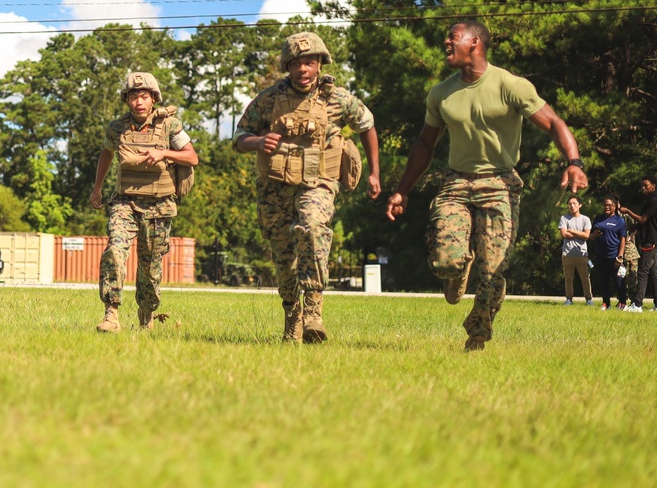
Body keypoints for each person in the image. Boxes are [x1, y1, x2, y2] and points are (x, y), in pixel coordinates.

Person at [385, 20, 587, 351]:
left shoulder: (510, 85)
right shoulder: (440, 93)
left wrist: (574, 162)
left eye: (452, 38)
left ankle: (477, 334)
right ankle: (456, 270)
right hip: (457, 184)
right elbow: (425, 144)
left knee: (493, 270)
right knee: (446, 260)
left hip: (500, 184)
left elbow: (553, 122)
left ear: (475, 42)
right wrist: (402, 190)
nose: (445, 43)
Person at [234, 31, 381, 343]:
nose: (304, 69)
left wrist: (374, 173)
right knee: (284, 260)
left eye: (310, 62)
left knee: (313, 227)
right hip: (275, 190)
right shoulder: (269, 100)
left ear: (320, 64)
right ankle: (292, 313)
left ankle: (313, 312)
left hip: (319, 183)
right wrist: (259, 141)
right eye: (297, 63)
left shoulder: (336, 99)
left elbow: (367, 125)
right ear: (288, 65)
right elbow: (239, 138)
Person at [90, 72, 199, 333]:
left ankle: (146, 314)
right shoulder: (117, 128)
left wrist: (163, 152)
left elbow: (192, 157)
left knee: (150, 269)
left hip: (159, 206)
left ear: (153, 99)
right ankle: (111, 313)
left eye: (144, 96)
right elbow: (106, 155)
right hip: (124, 202)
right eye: (134, 96)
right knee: (115, 251)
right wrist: (97, 188)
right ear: (127, 100)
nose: (139, 101)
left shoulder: (171, 125)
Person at [621, 174, 657, 312]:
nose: (643, 188)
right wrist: (632, 229)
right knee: (653, 273)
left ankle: (637, 304)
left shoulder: (654, 201)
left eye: (646, 185)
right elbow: (642, 223)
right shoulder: (649, 200)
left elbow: (643, 219)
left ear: (653, 186)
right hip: (650, 240)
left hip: (651, 241)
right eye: (642, 186)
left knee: (643, 272)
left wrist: (628, 211)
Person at [589, 195, 627, 311]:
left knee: (618, 280)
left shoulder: (619, 220)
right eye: (605, 205)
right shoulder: (598, 219)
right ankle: (606, 303)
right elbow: (590, 236)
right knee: (603, 280)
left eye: (609, 205)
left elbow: (623, 239)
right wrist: (593, 236)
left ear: (614, 206)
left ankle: (622, 303)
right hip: (601, 255)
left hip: (614, 256)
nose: (606, 207)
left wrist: (620, 256)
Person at [558, 195, 593, 306]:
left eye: (574, 203)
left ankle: (588, 299)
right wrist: (579, 234)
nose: (572, 206)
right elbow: (564, 234)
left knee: (585, 278)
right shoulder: (564, 218)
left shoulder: (585, 219)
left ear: (580, 205)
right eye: (570, 204)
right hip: (567, 253)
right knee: (568, 278)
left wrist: (572, 231)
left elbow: (586, 235)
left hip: (582, 253)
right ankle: (569, 299)